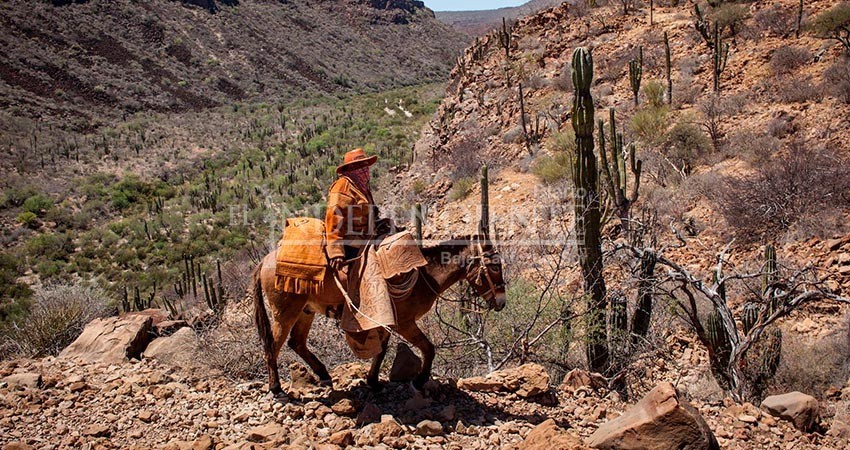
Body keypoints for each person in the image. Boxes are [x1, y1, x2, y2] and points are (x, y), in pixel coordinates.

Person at [325, 148, 380, 278]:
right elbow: (334, 217)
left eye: (366, 166)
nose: (364, 170)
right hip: (351, 241)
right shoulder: (342, 187)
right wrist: (336, 251)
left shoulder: (361, 186)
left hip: (366, 237)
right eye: (360, 166)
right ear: (351, 169)